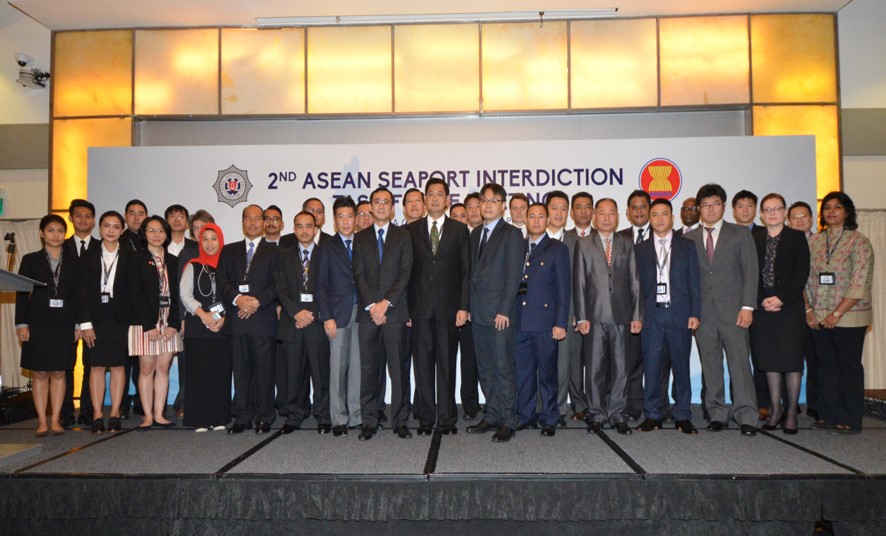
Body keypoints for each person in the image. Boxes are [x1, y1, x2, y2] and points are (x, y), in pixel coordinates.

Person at [685, 183, 759, 437]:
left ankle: (747, 415)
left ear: (723, 206)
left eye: (715, 204)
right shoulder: (688, 238)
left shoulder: (739, 234)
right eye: (704, 205)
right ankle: (717, 414)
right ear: (699, 209)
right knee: (711, 366)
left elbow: (751, 272)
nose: (709, 209)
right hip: (703, 314)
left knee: (739, 365)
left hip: (735, 312)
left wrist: (747, 306)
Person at [805, 192, 874, 435]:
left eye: (837, 207)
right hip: (817, 315)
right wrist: (809, 309)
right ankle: (827, 414)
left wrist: (837, 313)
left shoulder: (859, 242)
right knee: (825, 365)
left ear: (847, 212)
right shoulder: (814, 241)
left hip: (849, 316)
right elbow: (803, 279)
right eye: (827, 208)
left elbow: (859, 283)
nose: (831, 211)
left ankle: (850, 418)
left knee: (848, 366)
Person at [406, 178, 470, 435]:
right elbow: (406, 273)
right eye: (430, 194)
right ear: (424, 200)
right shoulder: (410, 231)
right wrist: (406, 310)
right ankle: (424, 418)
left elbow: (466, 271)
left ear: (447, 200)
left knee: (446, 364)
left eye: (439, 194)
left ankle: (446, 419)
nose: (434, 199)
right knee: (422, 366)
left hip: (448, 310)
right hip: (419, 310)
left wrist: (464, 307)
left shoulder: (459, 230)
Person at [574, 198, 642, 435]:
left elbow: (635, 282)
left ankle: (618, 414)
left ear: (617, 217)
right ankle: (595, 414)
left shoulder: (627, 244)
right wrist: (581, 317)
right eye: (601, 213)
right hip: (594, 315)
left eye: (611, 213)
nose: (606, 217)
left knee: (621, 367)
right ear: (594, 216)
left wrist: (636, 314)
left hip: (622, 315)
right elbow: (579, 282)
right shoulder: (583, 244)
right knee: (594, 369)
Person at [352, 187, 413, 440]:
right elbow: (359, 275)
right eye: (376, 201)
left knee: (398, 370)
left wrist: (386, 303)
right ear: (370, 206)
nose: (380, 206)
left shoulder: (403, 236)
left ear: (392, 208)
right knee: (369, 370)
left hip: (395, 312)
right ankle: (370, 419)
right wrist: (372, 306)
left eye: (385, 202)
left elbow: (405, 272)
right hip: (368, 315)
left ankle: (400, 421)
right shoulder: (361, 237)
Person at [465, 183, 524, 443]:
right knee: (485, 367)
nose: (487, 205)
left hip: (500, 314)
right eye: (483, 200)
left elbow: (513, 276)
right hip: (478, 313)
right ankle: (492, 413)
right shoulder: (475, 233)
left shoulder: (511, 234)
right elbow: (470, 276)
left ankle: (509, 419)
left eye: (493, 200)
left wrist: (504, 309)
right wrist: (467, 307)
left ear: (503, 205)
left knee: (502, 367)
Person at [635, 199, 700, 434]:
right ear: (649, 219)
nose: (660, 219)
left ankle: (682, 414)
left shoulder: (687, 246)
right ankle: (653, 414)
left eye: (664, 214)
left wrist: (695, 313)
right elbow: (637, 287)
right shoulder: (640, 249)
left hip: (679, 314)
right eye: (655, 215)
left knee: (681, 367)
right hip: (651, 316)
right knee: (651, 368)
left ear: (672, 218)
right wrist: (637, 315)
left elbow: (695, 282)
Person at [749, 194, 810, 435]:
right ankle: (775, 411)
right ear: (761, 215)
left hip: (789, 307)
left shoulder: (796, 237)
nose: (772, 213)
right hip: (763, 308)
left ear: (784, 212)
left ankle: (791, 412)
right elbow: (749, 273)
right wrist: (761, 298)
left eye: (777, 208)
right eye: (767, 209)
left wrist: (782, 298)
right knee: (769, 361)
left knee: (792, 361)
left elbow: (801, 272)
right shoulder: (755, 238)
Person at [217, 204, 281, 434]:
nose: (253, 223)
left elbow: (277, 284)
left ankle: (265, 415)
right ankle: (242, 416)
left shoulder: (275, 251)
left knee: (265, 370)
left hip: (262, 320)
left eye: (257, 218)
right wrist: (237, 299)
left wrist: (256, 302)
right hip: (237, 321)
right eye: (248, 218)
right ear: (242, 222)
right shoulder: (229, 250)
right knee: (241, 371)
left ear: (264, 223)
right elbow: (221, 280)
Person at [15, 215, 81, 437]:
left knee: (60, 372)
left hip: (65, 323)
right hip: (38, 322)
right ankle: (42, 420)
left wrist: (79, 324)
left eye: (60, 231)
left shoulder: (74, 261)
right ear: (42, 233)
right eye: (51, 230)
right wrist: (22, 323)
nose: (56, 235)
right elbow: (23, 293)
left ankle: (56, 420)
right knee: (40, 372)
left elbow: (78, 296)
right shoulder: (30, 260)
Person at [514, 203, 570, 437]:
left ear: (547, 220)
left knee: (547, 375)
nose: (535, 221)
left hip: (546, 324)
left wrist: (560, 323)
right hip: (520, 323)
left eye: (540, 217)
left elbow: (563, 289)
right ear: (525, 219)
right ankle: (526, 416)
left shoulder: (557, 248)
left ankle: (550, 417)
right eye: (531, 216)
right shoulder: (517, 247)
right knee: (523, 374)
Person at [274, 211, 332, 435]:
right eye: (300, 226)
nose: (305, 230)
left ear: (316, 229)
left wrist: (312, 314)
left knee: (321, 373)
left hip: (317, 324)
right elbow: (279, 287)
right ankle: (295, 415)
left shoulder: (326, 254)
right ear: (294, 228)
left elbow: (330, 289)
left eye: (309, 226)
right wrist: (296, 313)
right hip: (292, 323)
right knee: (293, 373)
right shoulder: (283, 255)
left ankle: (323, 415)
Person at [125, 215, 183, 431]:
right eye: (151, 230)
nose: (156, 235)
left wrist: (174, 323)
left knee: (163, 367)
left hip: (169, 321)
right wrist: (149, 325)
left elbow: (178, 295)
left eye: (160, 231)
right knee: (146, 367)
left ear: (167, 234)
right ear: (144, 233)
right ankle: (147, 415)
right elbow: (135, 294)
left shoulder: (174, 261)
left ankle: (160, 414)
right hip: (144, 322)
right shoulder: (135, 259)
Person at [79, 211, 131, 435]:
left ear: (122, 230)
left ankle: (116, 413)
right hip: (95, 317)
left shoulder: (130, 257)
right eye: (107, 226)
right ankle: (98, 414)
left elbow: (134, 293)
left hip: (120, 318)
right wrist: (85, 323)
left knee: (119, 366)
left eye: (116, 226)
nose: (111, 230)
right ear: (99, 229)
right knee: (96, 366)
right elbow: (80, 294)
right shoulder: (88, 257)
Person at [315, 196, 362, 436]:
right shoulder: (327, 246)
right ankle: (338, 418)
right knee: (337, 368)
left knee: (357, 367)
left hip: (361, 313)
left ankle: (355, 415)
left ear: (356, 218)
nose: (345, 221)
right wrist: (327, 316)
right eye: (341, 217)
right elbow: (320, 284)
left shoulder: (363, 242)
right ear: (335, 221)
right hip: (338, 314)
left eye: (349, 216)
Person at [179, 223, 232, 432]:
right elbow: (185, 295)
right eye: (205, 239)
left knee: (220, 373)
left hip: (222, 327)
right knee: (198, 373)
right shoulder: (192, 264)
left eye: (214, 238)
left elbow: (232, 295)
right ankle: (199, 418)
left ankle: (219, 417)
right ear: (199, 242)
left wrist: (223, 318)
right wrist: (203, 315)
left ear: (220, 241)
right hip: (197, 326)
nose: (210, 244)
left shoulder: (228, 265)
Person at [63, 198, 98, 427]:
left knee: (90, 364)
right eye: (78, 215)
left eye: (87, 216)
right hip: (63, 317)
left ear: (93, 220)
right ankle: (65, 412)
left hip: (93, 317)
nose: (83, 220)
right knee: (65, 365)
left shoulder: (101, 247)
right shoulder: (60, 246)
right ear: (71, 218)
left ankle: (87, 410)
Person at [618, 189, 651, 421]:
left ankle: (657, 406)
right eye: (634, 207)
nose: (639, 211)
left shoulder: (664, 235)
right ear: (628, 213)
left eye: (643, 207)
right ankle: (632, 403)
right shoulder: (618, 238)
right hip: (629, 311)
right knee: (630, 359)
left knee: (658, 361)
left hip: (658, 308)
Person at [165, 204, 199, 419]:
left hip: (185, 311)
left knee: (187, 360)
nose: (177, 220)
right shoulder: (158, 244)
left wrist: (184, 316)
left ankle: (184, 401)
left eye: (181, 216)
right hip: (160, 310)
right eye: (172, 216)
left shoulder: (195, 248)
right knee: (158, 361)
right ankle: (149, 404)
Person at [448, 201, 481, 419]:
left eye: (464, 214)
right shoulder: (444, 240)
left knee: (470, 362)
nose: (460, 218)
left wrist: (467, 307)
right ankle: (447, 406)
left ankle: (470, 406)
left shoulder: (475, 240)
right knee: (447, 362)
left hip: (469, 312)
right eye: (456, 215)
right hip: (446, 311)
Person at [787, 200, 819, 420]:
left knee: (817, 358)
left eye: (803, 217)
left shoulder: (822, 243)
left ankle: (816, 403)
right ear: (788, 221)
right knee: (789, 358)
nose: (799, 221)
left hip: (820, 312)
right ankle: (789, 402)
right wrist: (805, 308)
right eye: (795, 217)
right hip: (791, 309)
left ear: (812, 219)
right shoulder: (784, 244)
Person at [565, 192, 594, 421]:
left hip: (599, 311)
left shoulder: (605, 238)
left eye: (587, 207)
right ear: (571, 213)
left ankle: (598, 403)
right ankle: (578, 404)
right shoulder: (563, 239)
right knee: (574, 362)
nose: (583, 211)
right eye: (579, 207)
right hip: (573, 312)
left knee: (599, 362)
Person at [544, 190, 572, 426]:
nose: (559, 213)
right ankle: (538, 408)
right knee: (538, 364)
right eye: (554, 208)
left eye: (564, 208)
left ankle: (559, 410)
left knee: (561, 365)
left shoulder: (577, 241)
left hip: (567, 312)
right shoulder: (530, 239)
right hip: (537, 314)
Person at [119, 199, 147, 419]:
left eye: (141, 214)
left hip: (144, 310)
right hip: (122, 310)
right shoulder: (116, 241)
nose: (136, 218)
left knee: (141, 359)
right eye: (132, 213)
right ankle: (119, 403)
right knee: (122, 358)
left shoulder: (152, 241)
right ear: (125, 217)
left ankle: (140, 399)